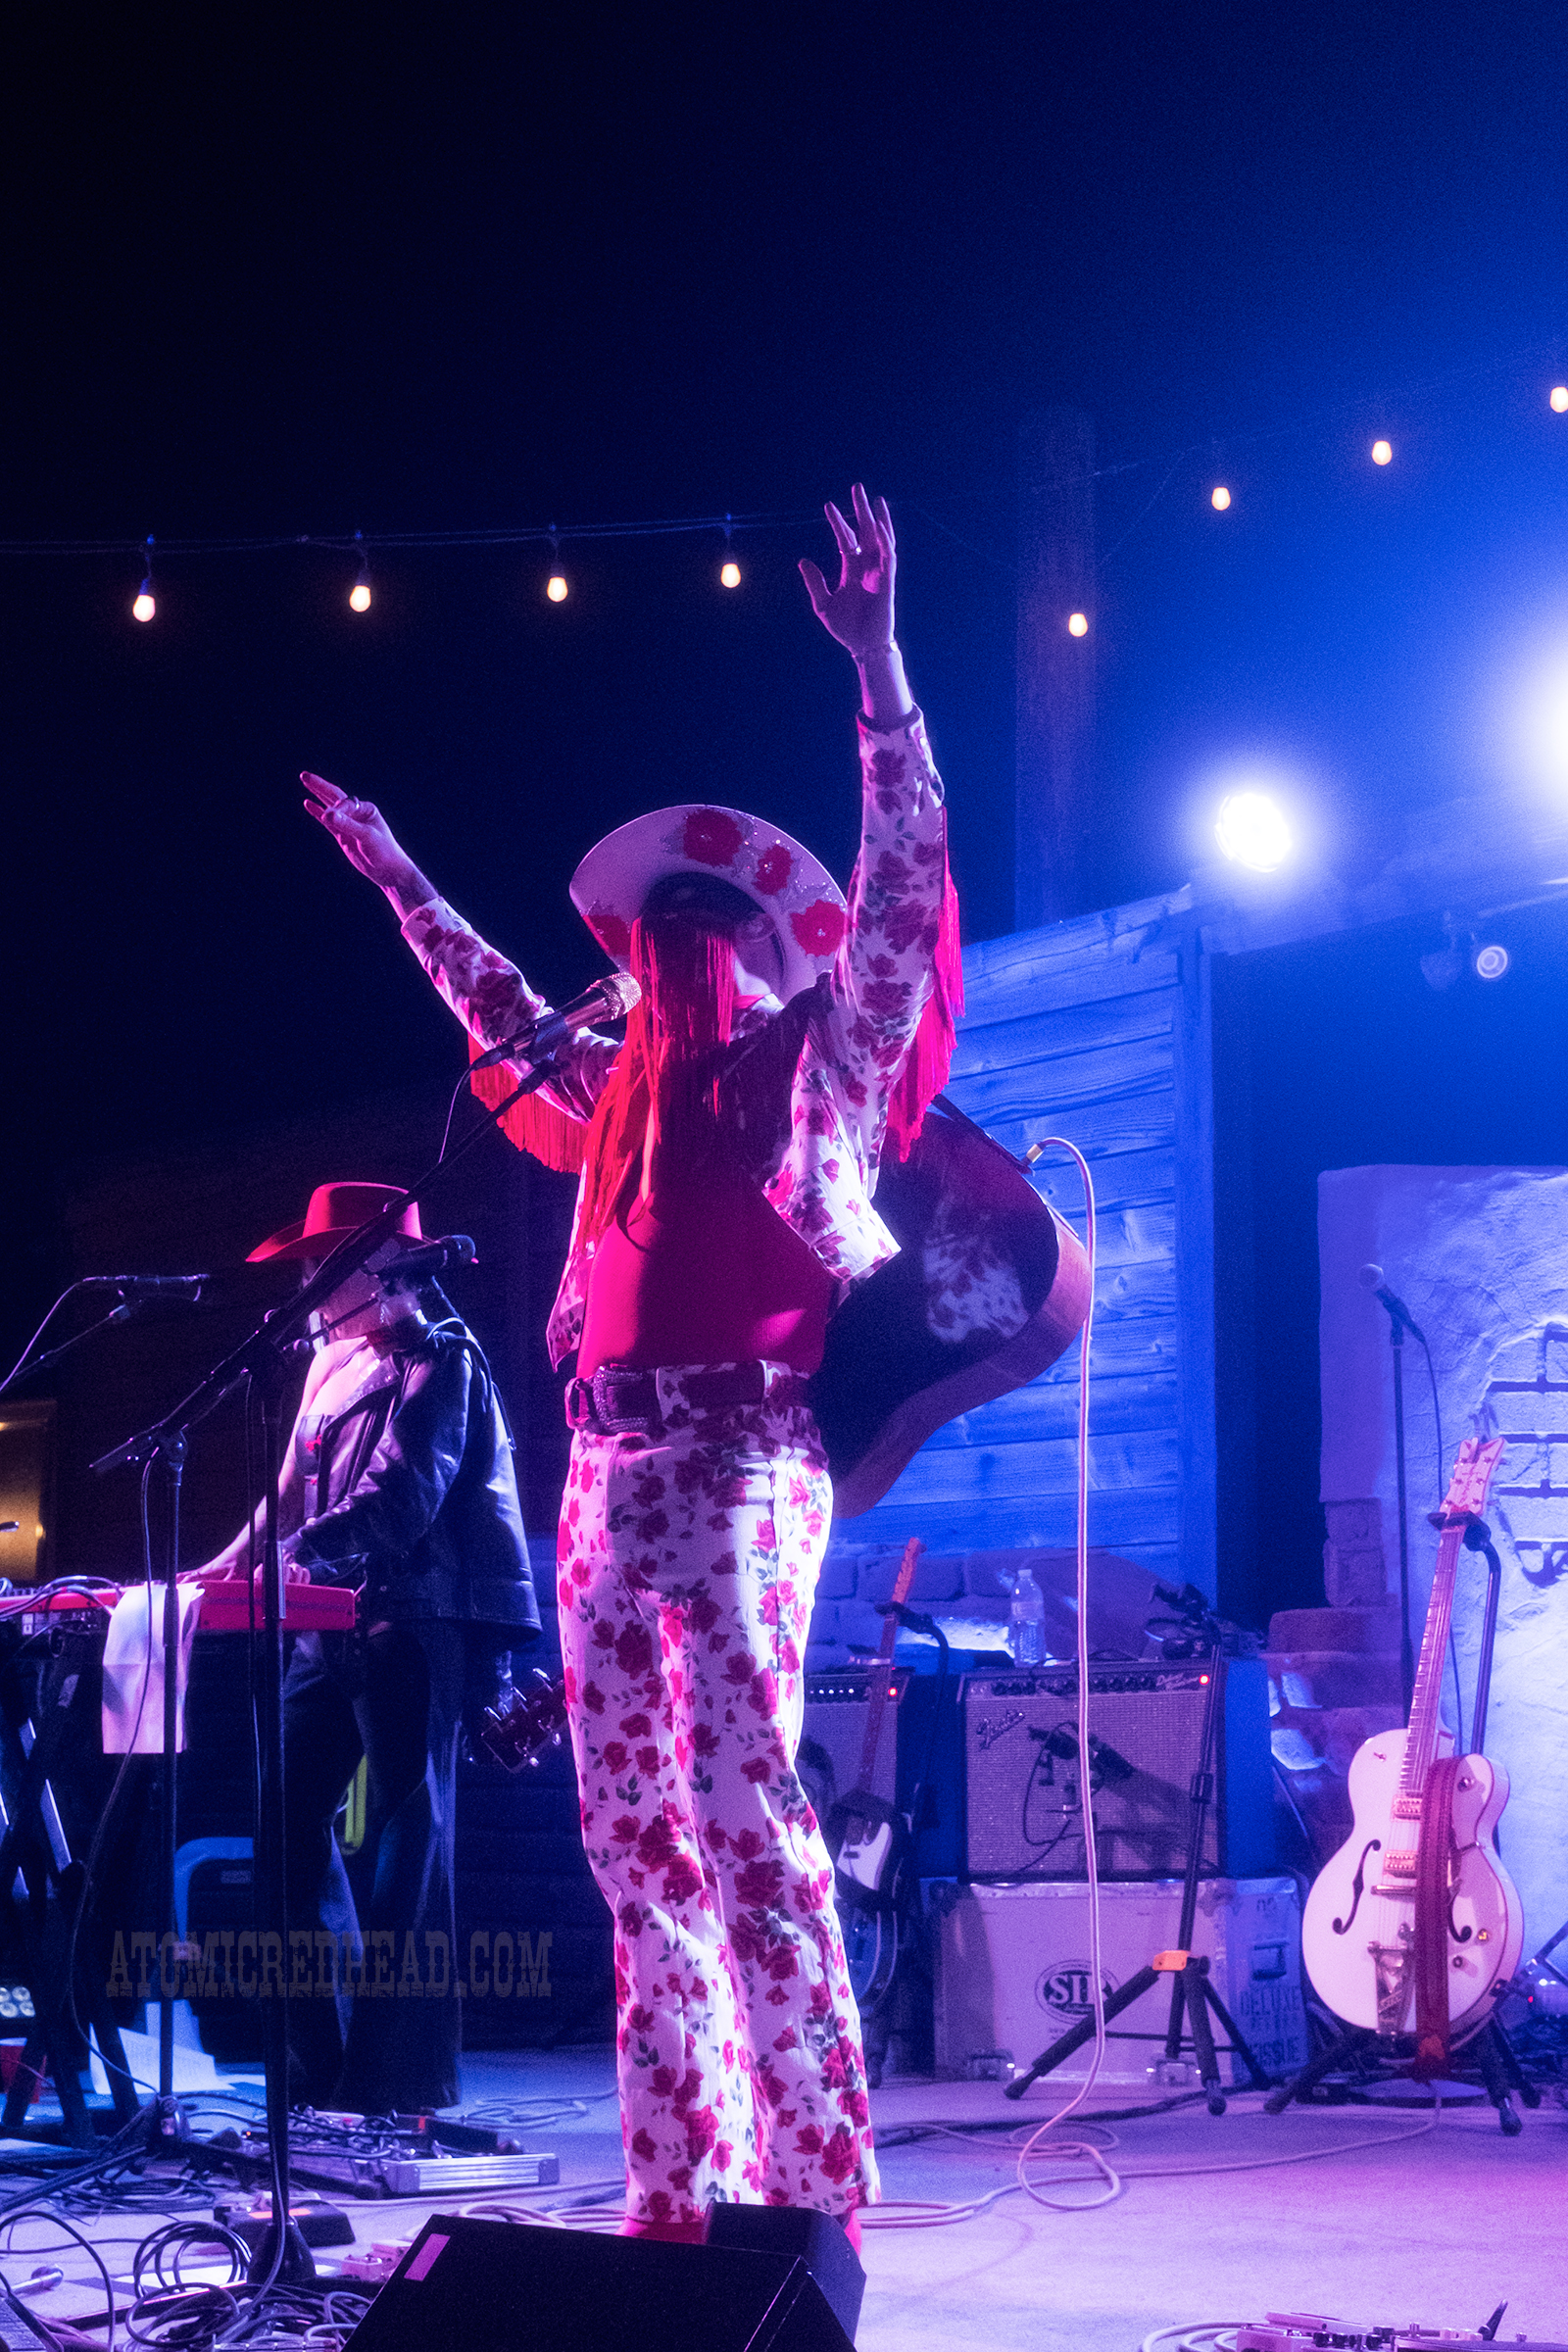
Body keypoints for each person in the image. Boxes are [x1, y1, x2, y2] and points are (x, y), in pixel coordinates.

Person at [299, 486, 959, 2233]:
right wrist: (395, 873)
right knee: (634, 1848)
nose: (664, 954)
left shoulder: (815, 1070)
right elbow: (492, 1002)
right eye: (649, 930)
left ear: (746, 953)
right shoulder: (609, 1108)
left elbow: (901, 894)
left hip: (745, 1464)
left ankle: (812, 2176)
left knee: (747, 1822)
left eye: (695, 930)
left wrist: (881, 676)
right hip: (604, 1476)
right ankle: (683, 2179)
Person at [190, 1180, 540, 2112]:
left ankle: (397, 2078)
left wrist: (287, 1562)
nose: (311, 1281)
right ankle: (326, 2056)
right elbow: (286, 1497)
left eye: (327, 1264)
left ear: (384, 1270)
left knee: (405, 1833)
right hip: (330, 1618)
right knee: (283, 1827)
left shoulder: (443, 1359)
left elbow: (401, 1499)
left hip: (414, 1618)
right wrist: (221, 1569)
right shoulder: (328, 1366)